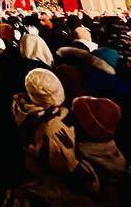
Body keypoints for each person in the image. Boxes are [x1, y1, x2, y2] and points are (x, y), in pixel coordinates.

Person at [10, 68, 98, 206]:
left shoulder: (19, 105)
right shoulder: (53, 126)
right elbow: (67, 166)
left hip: (29, 171)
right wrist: (91, 182)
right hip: (48, 183)